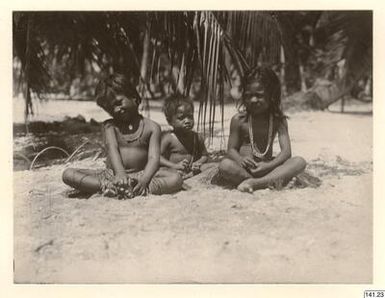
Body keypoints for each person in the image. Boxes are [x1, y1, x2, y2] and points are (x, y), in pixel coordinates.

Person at [62, 74, 183, 199]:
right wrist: (120, 174)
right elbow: (112, 149)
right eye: (110, 108)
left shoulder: (152, 127)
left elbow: (153, 158)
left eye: (119, 103)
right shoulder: (110, 126)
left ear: (134, 97)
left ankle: (136, 188)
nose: (116, 110)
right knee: (68, 174)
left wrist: (144, 180)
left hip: (141, 175)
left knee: (176, 178)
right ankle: (109, 186)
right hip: (111, 174)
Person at [218, 66, 306, 193]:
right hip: (243, 169)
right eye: (248, 95)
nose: (253, 100)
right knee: (225, 165)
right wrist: (241, 159)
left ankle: (256, 183)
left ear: (272, 96)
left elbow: (286, 153)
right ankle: (268, 182)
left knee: (299, 162)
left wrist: (268, 166)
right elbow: (231, 150)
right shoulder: (239, 120)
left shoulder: (278, 120)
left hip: (268, 167)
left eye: (259, 95)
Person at [160, 95, 211, 179]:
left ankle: (189, 175)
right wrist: (174, 166)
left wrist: (198, 163)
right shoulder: (169, 138)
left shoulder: (196, 137)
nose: (187, 121)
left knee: (212, 167)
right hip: (172, 169)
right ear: (170, 121)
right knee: (162, 171)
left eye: (190, 116)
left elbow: (204, 155)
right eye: (181, 118)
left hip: (191, 171)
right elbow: (157, 158)